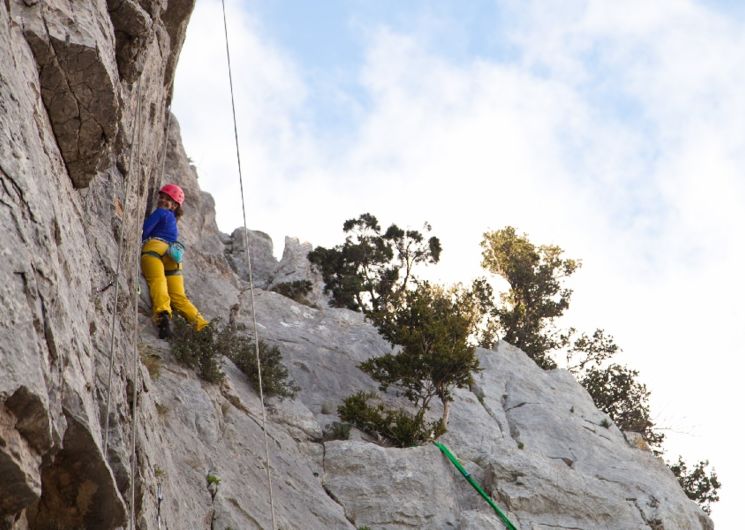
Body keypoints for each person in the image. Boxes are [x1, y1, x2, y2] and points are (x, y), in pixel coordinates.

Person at [141, 183, 208, 338]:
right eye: (162, 197)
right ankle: (203, 327)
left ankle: (163, 317)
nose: (163, 201)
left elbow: (144, 231)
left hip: (155, 249)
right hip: (173, 256)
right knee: (179, 296)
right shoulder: (173, 222)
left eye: (168, 199)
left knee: (158, 281)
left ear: (175, 205)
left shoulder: (161, 213)